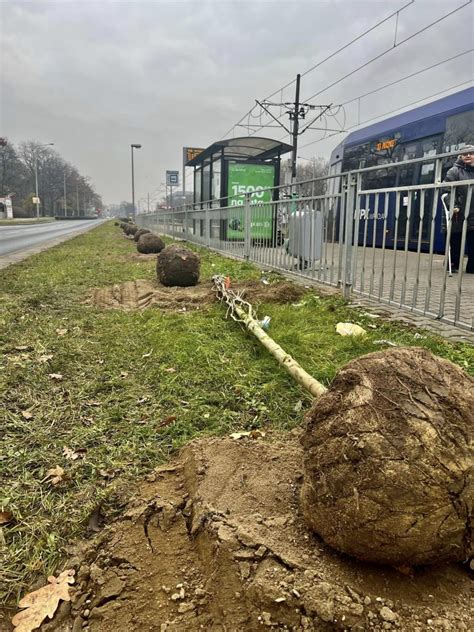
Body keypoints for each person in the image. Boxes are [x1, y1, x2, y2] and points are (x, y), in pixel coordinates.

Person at [443, 146, 474, 273]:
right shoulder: (454, 171)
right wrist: (453, 205)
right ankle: (452, 264)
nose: (468, 156)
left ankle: (472, 268)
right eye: (464, 154)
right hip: (459, 212)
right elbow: (447, 190)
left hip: (473, 211)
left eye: (471, 153)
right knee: (456, 241)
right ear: (460, 156)